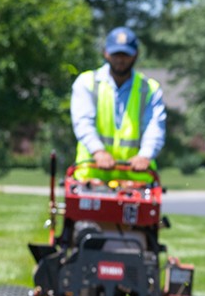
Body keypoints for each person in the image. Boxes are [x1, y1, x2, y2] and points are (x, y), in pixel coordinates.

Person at [70, 26, 166, 183]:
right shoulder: (86, 83)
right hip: (92, 175)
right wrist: (98, 151)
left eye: (125, 54)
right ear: (105, 53)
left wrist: (145, 155)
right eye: (116, 54)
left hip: (136, 179)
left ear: (136, 54)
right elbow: (83, 123)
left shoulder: (149, 89)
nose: (120, 59)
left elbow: (154, 127)